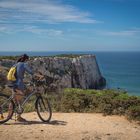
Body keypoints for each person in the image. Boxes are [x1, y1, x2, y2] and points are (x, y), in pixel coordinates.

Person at [9, 54, 37, 122]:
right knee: (20, 101)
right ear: (26, 59)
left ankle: (9, 116)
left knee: (13, 100)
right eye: (27, 60)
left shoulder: (15, 64)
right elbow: (31, 72)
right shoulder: (23, 64)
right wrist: (38, 76)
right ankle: (19, 117)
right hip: (19, 84)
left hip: (13, 83)